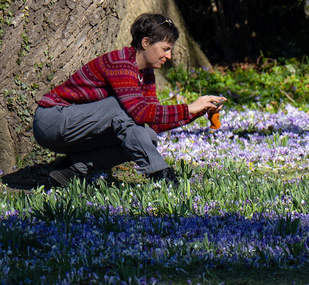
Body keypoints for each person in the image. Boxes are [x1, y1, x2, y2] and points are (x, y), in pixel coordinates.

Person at [32, 13, 226, 186]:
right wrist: (188, 108)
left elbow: (151, 122)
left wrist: (199, 111)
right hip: (53, 121)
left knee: (146, 135)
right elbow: (140, 112)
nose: (169, 55)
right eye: (165, 49)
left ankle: (72, 169)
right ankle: (163, 176)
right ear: (146, 42)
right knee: (124, 108)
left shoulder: (146, 74)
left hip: (77, 130)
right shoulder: (120, 63)